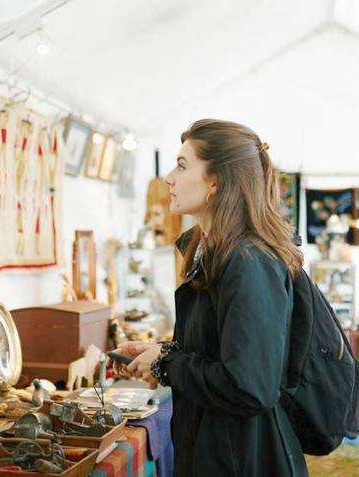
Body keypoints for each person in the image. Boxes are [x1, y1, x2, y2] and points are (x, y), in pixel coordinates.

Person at [113, 119, 308, 476]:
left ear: (216, 181)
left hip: (242, 460)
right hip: (214, 450)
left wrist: (167, 365)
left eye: (182, 165)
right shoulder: (212, 253)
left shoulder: (249, 262)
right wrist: (161, 352)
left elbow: (250, 386)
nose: (168, 178)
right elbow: (221, 350)